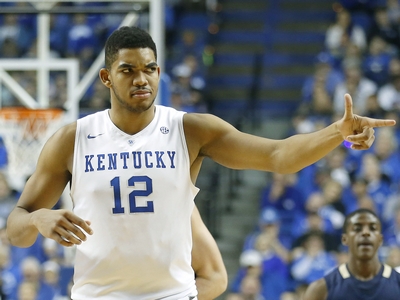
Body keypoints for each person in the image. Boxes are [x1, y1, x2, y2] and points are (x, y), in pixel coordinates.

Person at [5, 26, 396, 299]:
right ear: (106, 77)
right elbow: (15, 230)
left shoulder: (189, 130)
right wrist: (38, 219)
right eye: (128, 70)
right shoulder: (73, 138)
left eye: (149, 68)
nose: (142, 78)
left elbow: (279, 157)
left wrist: (336, 132)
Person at [303, 208, 400, 300]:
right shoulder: (320, 289)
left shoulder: (397, 283)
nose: (365, 233)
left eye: (372, 228)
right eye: (357, 229)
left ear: (380, 239)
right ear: (344, 239)